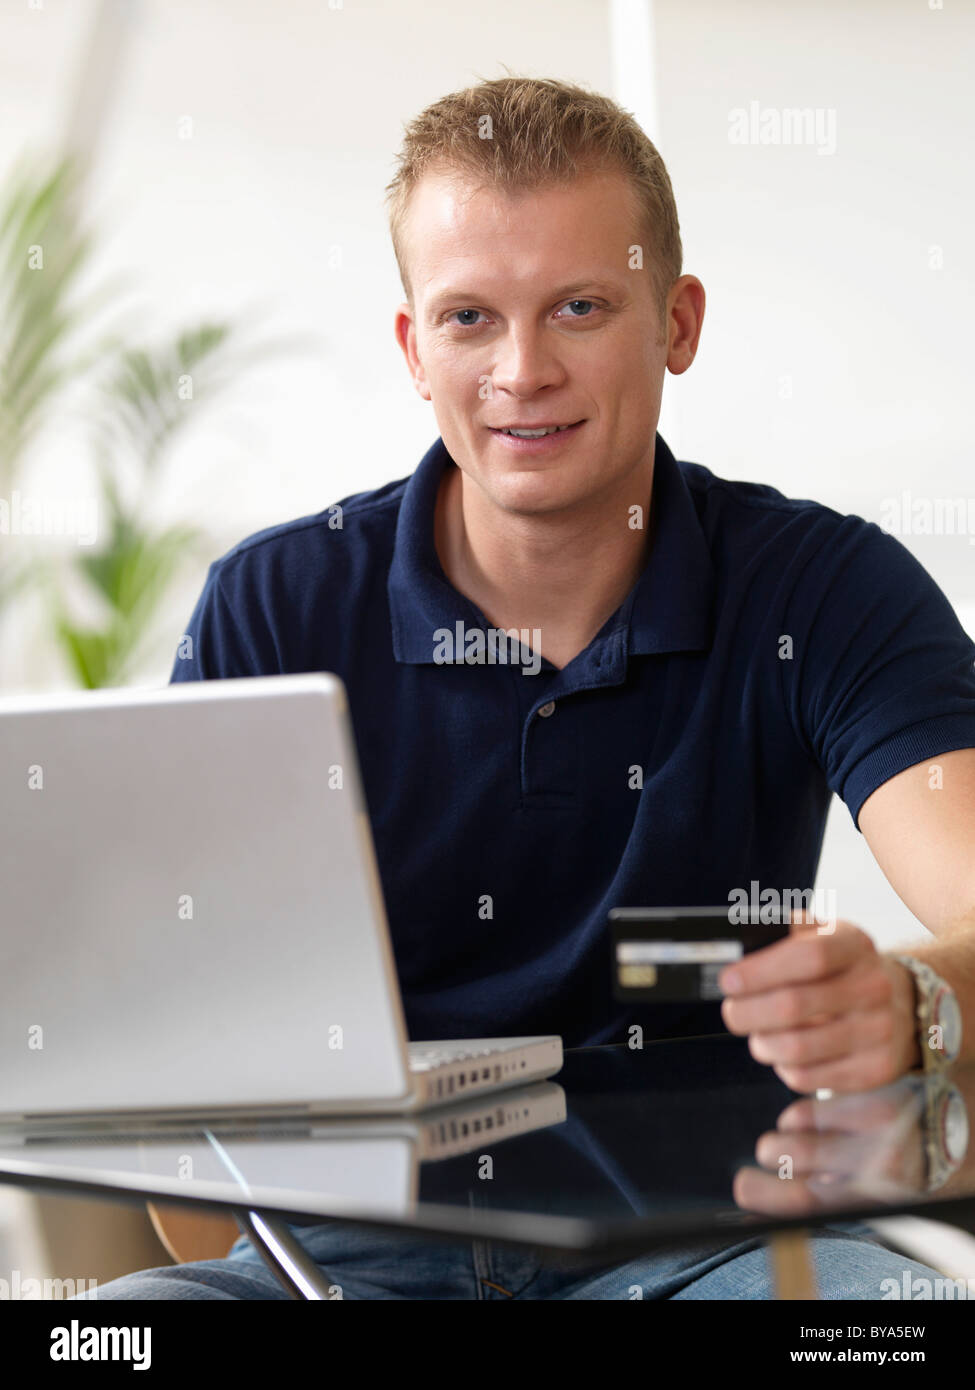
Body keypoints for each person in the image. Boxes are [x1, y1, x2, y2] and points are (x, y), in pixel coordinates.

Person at [83, 75, 975, 1300]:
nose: (522, 369)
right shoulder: (271, 607)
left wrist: (912, 1001)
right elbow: (186, 1095)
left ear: (677, 322)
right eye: (467, 317)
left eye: (579, 307)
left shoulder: (824, 588)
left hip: (712, 1241)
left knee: (898, 1317)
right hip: (334, 1264)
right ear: (412, 347)